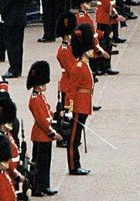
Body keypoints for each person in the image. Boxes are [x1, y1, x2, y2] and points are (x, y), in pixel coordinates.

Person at [62, 24, 96, 175]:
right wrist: (68, 108)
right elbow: (71, 89)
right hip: (78, 106)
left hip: (84, 104)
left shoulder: (85, 65)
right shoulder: (78, 67)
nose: (91, 51)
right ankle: (73, 166)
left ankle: (77, 164)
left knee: (76, 138)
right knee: (73, 140)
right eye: (88, 49)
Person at [27, 59, 62, 196]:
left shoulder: (41, 97)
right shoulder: (35, 99)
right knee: (39, 164)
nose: (45, 86)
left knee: (45, 164)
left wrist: (57, 114)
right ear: (37, 85)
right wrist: (53, 133)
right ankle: (37, 187)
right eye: (42, 84)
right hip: (41, 135)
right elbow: (41, 120)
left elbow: (47, 113)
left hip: (44, 135)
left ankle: (44, 185)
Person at [2, 0, 32, 78]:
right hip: (21, 18)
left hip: (12, 19)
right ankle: (17, 68)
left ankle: (13, 68)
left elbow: (7, 3)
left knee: (12, 45)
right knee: (18, 45)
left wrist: (2, 14)